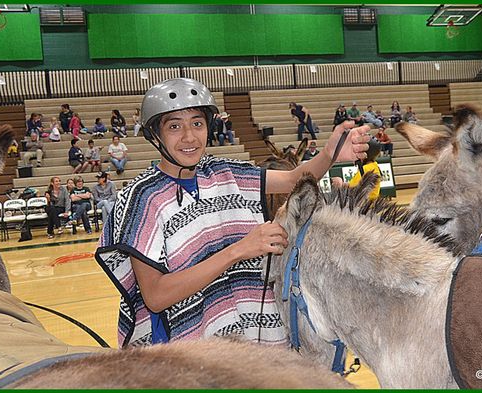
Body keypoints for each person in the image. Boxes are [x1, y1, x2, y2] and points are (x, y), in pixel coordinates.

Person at [95, 78, 369, 348]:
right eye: (175, 126)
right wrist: (239, 250)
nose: (189, 137)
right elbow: (155, 296)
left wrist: (330, 153)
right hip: (183, 350)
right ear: (155, 134)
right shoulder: (141, 198)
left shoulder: (226, 173)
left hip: (246, 338)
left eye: (197, 124)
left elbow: (291, 179)